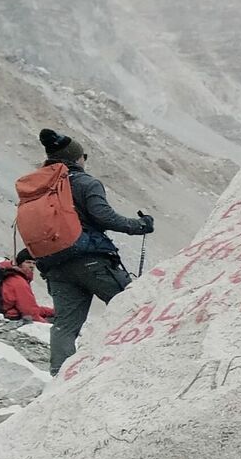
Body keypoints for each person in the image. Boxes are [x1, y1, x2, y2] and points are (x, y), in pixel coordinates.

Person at [34, 128, 153, 374]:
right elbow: (104, 217)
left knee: (65, 325)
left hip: (55, 265)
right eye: (83, 156)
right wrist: (140, 225)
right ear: (77, 158)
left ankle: (59, 377)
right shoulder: (85, 183)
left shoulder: (40, 188)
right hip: (90, 260)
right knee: (133, 306)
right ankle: (138, 364)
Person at [0, 249, 55, 323]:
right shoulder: (18, 281)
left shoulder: (10, 275)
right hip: (12, 318)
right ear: (19, 264)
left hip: (6, 313)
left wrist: (52, 311)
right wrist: (47, 324)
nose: (31, 266)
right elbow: (30, 313)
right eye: (28, 262)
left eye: (34, 263)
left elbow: (31, 308)